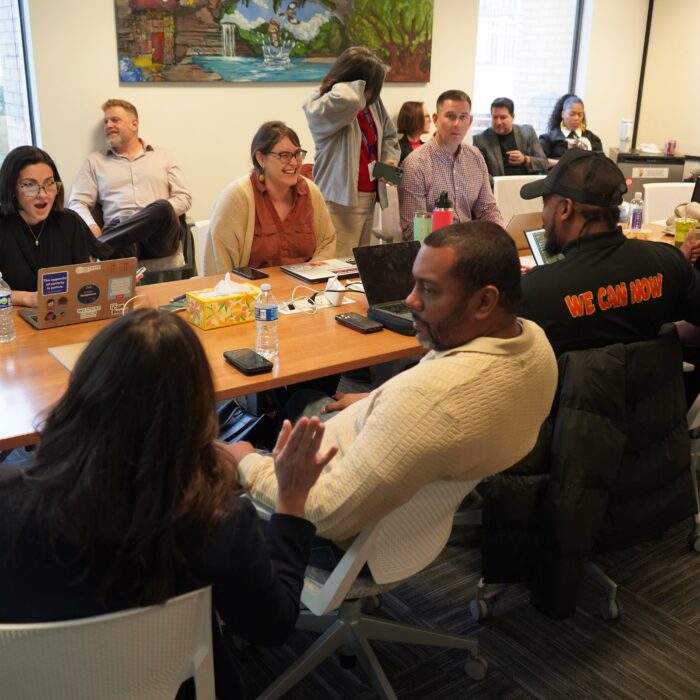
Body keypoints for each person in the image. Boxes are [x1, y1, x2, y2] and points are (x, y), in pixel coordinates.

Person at [0, 308, 336, 698]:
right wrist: (291, 501)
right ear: (197, 413)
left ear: (80, 395)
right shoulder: (220, 523)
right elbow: (272, 626)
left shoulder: (8, 503)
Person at [230, 223, 558, 563]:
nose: (410, 300)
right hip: (403, 514)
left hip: (336, 535)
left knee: (202, 476)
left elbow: (325, 513)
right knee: (303, 400)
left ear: (485, 301)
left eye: (429, 290)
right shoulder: (533, 345)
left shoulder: (428, 403)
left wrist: (247, 464)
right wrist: (377, 400)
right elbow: (434, 400)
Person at [518, 149, 700, 355]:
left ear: (565, 209)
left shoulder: (533, 292)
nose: (543, 215)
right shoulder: (670, 262)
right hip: (657, 386)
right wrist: (666, 341)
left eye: (545, 204)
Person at [303, 46, 400, 257]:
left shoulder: (373, 104)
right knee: (337, 267)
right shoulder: (324, 103)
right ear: (354, 81)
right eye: (370, 85)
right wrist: (352, 86)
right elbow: (350, 100)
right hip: (340, 201)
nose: (374, 93)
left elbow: (390, 137)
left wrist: (388, 161)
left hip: (370, 194)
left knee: (360, 267)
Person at [203, 121, 336, 274]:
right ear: (261, 159)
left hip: (303, 291)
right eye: (284, 155)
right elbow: (221, 265)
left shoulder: (310, 191)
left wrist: (308, 279)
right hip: (251, 293)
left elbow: (327, 243)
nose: (294, 162)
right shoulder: (237, 197)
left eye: (297, 154)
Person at [68, 99, 192, 260]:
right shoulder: (95, 161)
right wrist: (91, 226)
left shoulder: (163, 156)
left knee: (163, 206)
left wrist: (149, 215)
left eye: (115, 120)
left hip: (158, 238)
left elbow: (184, 197)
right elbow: (76, 202)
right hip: (121, 239)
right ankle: (105, 243)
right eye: (106, 122)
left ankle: (100, 245)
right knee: (117, 226)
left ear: (134, 124)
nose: (108, 126)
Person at [399, 90, 505, 241]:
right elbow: (413, 231)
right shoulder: (415, 165)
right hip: (435, 250)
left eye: (463, 117)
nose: (457, 124)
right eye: (450, 116)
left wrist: (502, 234)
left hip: (471, 245)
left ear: (470, 121)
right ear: (436, 119)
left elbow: (487, 209)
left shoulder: (475, 157)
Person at [0, 146, 97, 307]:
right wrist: (27, 298)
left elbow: (85, 278)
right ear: (11, 189)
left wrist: (113, 281)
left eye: (49, 183)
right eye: (30, 185)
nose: (43, 195)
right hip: (12, 321)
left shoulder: (70, 221)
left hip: (63, 316)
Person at [473, 97, 549, 178]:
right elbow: (479, 173)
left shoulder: (528, 133)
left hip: (526, 185)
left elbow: (544, 163)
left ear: (513, 117)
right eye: (495, 117)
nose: (498, 122)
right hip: (498, 187)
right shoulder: (480, 140)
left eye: (503, 117)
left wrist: (525, 160)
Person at [538, 94, 603, 166]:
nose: (576, 118)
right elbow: (538, 161)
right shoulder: (549, 138)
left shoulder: (592, 138)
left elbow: (602, 163)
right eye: (572, 114)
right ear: (563, 114)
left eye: (580, 115)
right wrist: (562, 163)